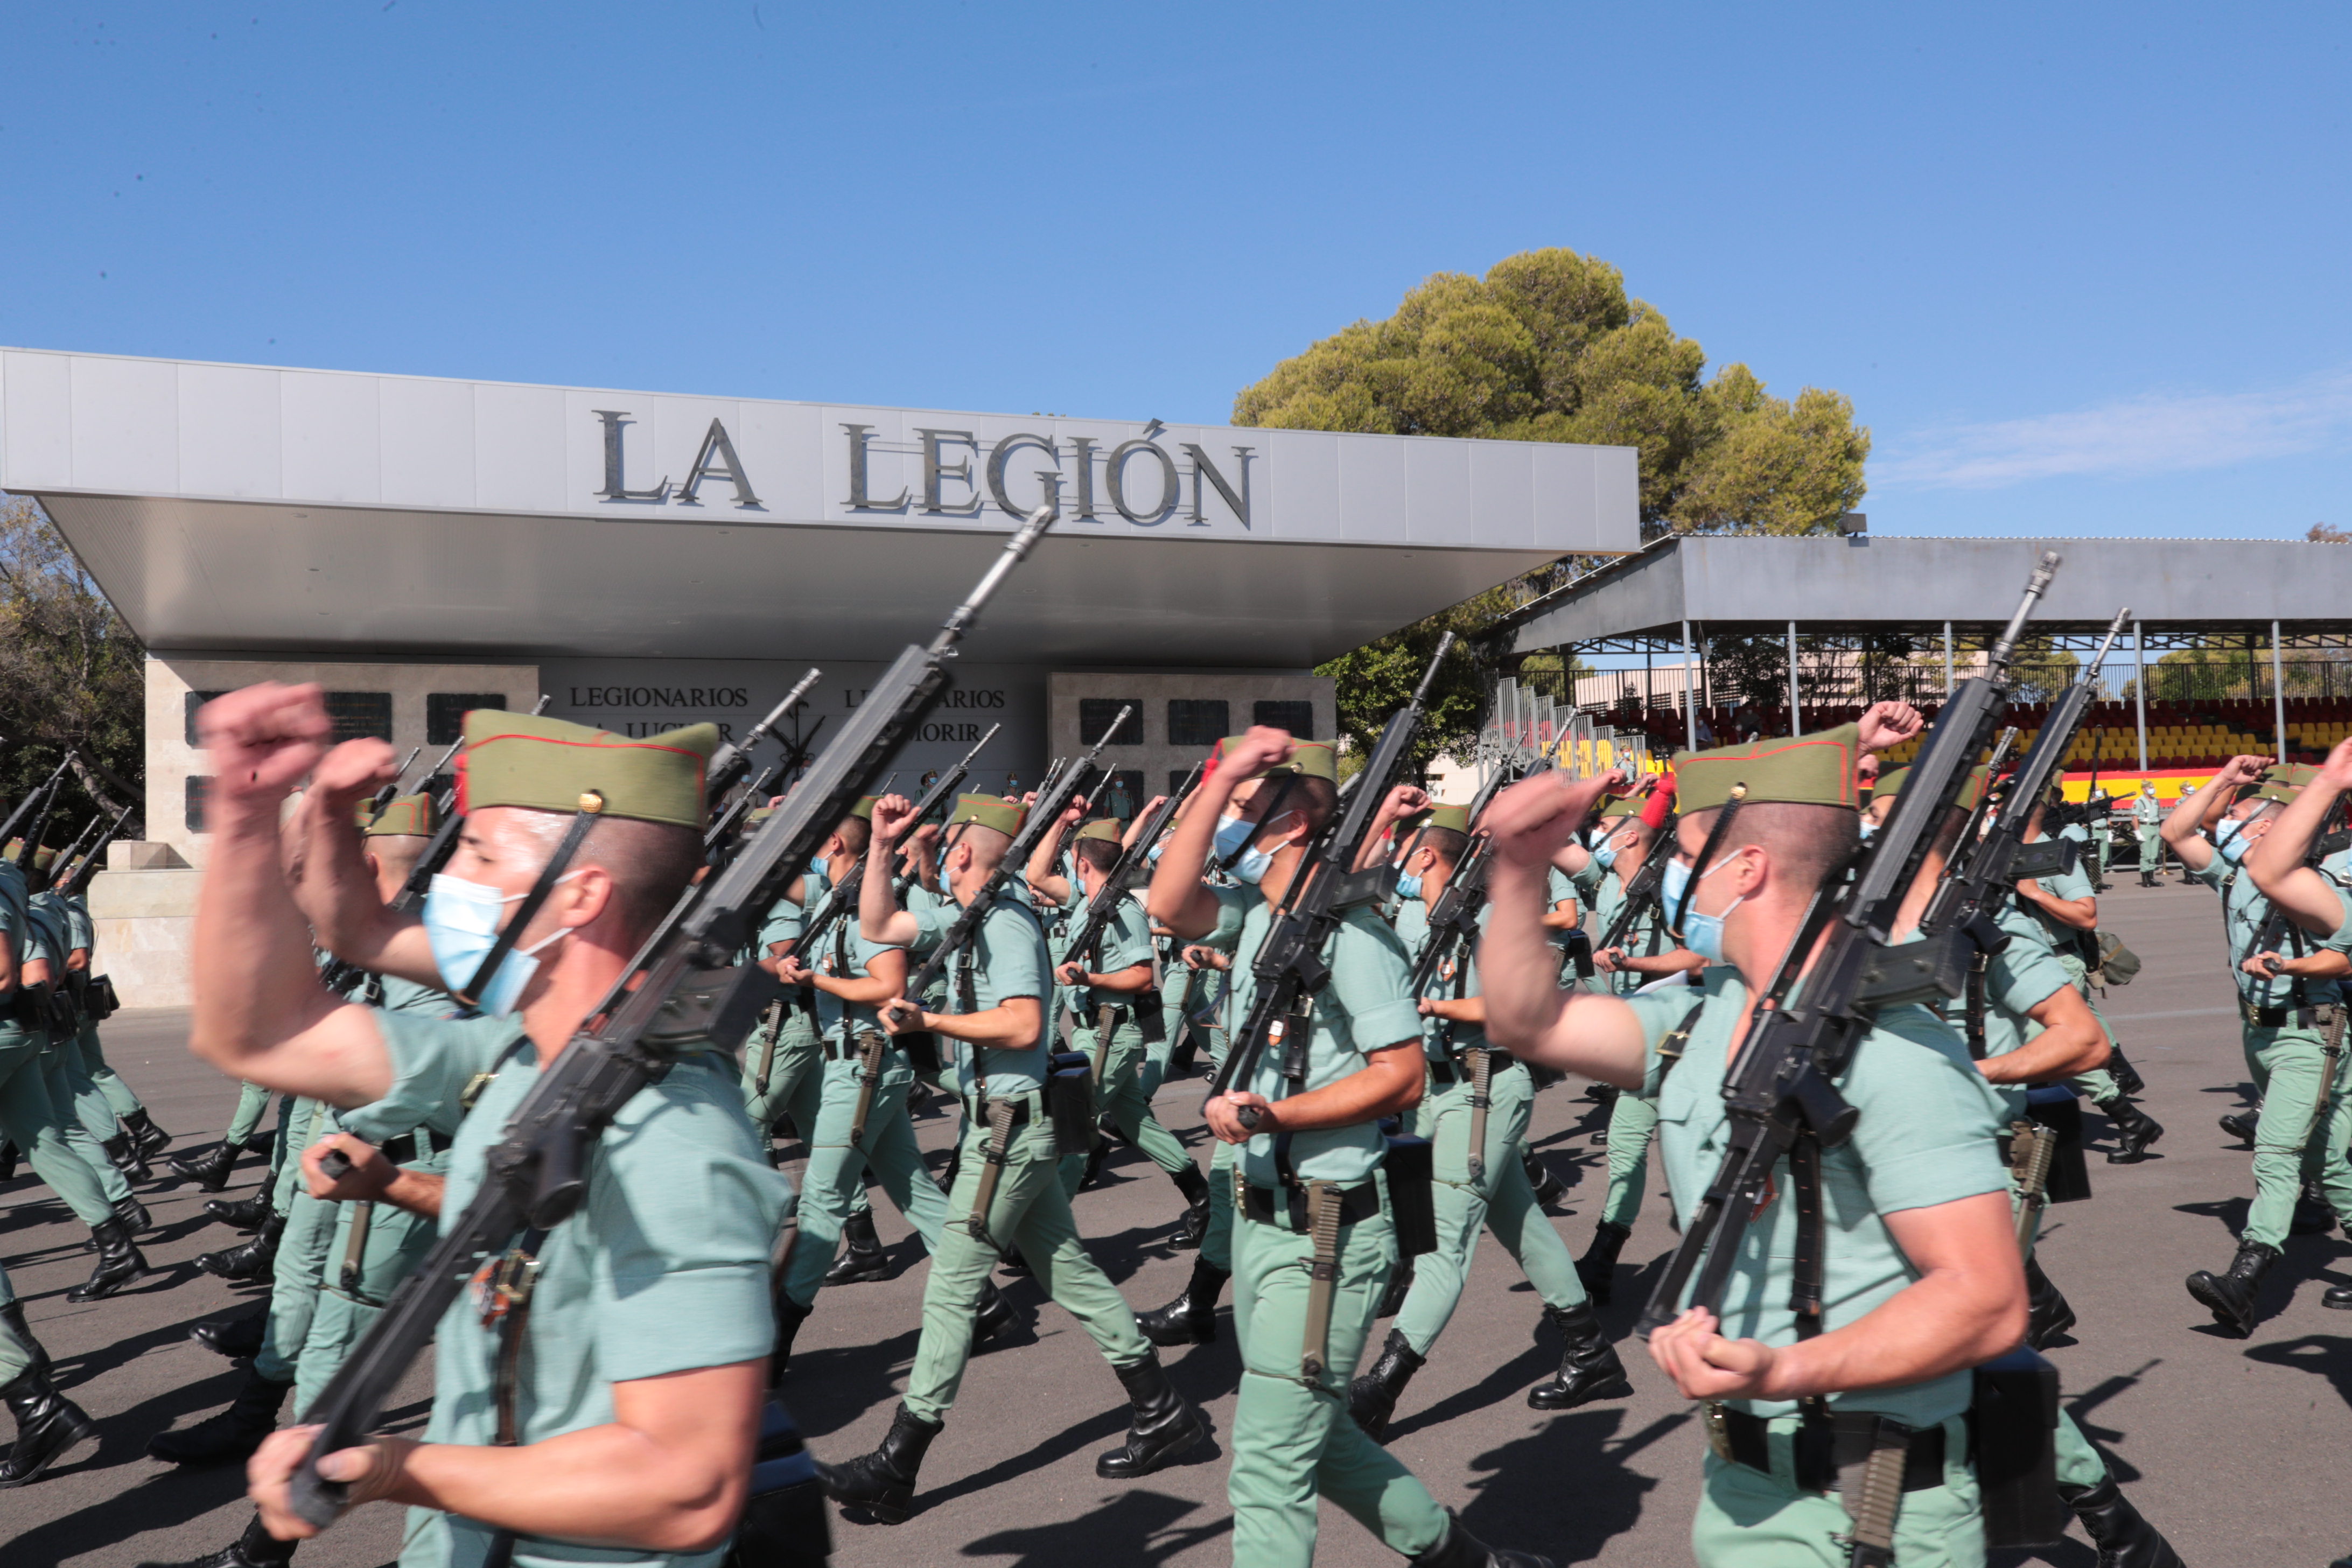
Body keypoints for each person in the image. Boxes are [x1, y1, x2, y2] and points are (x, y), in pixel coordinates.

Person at [177, 689, 790, 1568]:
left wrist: (394, 1465)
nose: (446, 879)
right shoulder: (521, 1050)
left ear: (576, 895)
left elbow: (684, 1485)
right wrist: (246, 812)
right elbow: (255, 1029)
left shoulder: (672, 1135)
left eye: (476, 851)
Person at [1481, 712, 2029, 1568]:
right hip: (1745, 1485)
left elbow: (1988, 1301)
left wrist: (1780, 1373)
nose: (1671, 878)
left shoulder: (1894, 1048)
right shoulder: (1712, 1010)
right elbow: (1530, 1023)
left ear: (1746, 867)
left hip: (1876, 1500)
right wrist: (1516, 868)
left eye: (1686, 854)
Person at [1149, 730, 1550, 1568]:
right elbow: (1165, 900)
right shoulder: (1257, 915)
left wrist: (1277, 1115)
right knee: (1316, 1438)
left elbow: (1402, 1078)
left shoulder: (1356, 935)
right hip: (1264, 1224)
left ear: (1291, 827)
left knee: (1266, 1466)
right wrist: (1222, 774)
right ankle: (1463, 1559)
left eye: (1243, 815)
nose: (1227, 826)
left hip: (1326, 1233)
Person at [820, 792, 1205, 1524]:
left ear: (963, 852)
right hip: (997, 1128)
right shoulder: (966, 913)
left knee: (952, 1290)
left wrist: (930, 1019)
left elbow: (1024, 1022)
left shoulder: (1004, 921)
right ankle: (1163, 1411)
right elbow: (877, 925)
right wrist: (878, 849)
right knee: (1073, 1275)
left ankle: (897, 1463)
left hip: (1008, 1132)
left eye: (946, 845)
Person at [1348, 802, 1632, 1443]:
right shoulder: (1419, 909)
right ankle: (1590, 1353)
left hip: (1483, 1088)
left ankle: (1381, 1387)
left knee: (1443, 1247)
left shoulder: (1492, 917)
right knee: (1524, 1225)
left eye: (1407, 847)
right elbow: (1353, 874)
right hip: (1438, 1088)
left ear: (1426, 854)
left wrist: (1434, 1004)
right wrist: (1384, 816)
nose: (1396, 858)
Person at [767, 799, 976, 1372]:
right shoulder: (835, 902)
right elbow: (773, 883)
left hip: (866, 1064)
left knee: (822, 1197)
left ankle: (779, 1333)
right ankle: (987, 1305)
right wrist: (798, 972)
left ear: (834, 844)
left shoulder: (867, 907)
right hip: (852, 1063)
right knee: (914, 1189)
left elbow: (889, 984)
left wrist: (818, 978)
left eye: (816, 835)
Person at [2179, 754, 2352, 1334]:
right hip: (2260, 1029)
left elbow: (2346, 951)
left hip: (2312, 1027)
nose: (2232, 824)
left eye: (2248, 817)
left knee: (2276, 1153)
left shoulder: (2322, 880)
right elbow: (2175, 831)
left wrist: (2293, 963)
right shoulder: (2234, 874)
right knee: (2326, 1162)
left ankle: (2246, 1278)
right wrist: (2225, 778)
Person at [1026, 809, 1210, 1230]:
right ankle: (1202, 1198)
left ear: (1081, 862)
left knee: (1076, 1128)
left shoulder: (1121, 910)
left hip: (1111, 1031)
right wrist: (1060, 820)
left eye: (1073, 855)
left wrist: (1090, 977)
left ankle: (1047, 1229)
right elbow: (1037, 873)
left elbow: (1144, 977)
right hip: (1095, 1029)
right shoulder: (1084, 900)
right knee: (1137, 1122)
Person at [1556, 789, 1701, 1301]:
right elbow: (1555, 841)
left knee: (1699, 1153)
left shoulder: (1671, 889)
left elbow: (1698, 959)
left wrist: (1635, 965)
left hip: (1683, 1034)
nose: (1594, 837)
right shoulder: (1609, 883)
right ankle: (1603, 1256)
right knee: (1625, 1148)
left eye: (1604, 828)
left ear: (1631, 835)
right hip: (1640, 1039)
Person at [2132, 782, 2166, 886]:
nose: (2152, 789)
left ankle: (2151, 878)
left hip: (2155, 827)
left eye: (2153, 787)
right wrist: (2137, 832)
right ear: (2144, 789)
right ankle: (2145, 878)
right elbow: (2135, 818)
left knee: (2154, 854)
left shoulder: (2156, 801)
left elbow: (2157, 815)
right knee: (2146, 855)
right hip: (2145, 827)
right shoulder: (2139, 801)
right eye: (2149, 787)